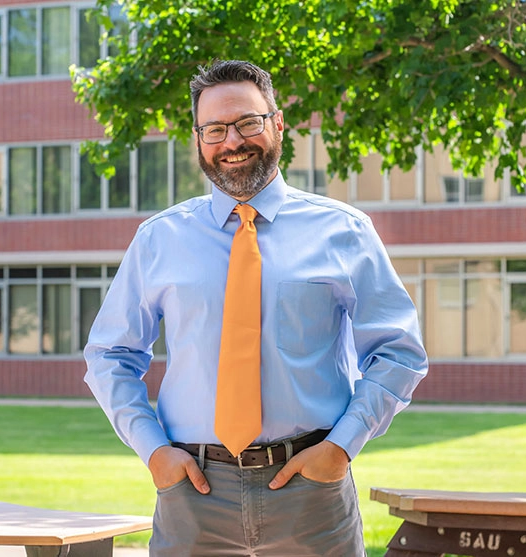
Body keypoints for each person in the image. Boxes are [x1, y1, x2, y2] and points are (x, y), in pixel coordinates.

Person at [83, 59, 428, 556]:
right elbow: (110, 354)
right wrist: (155, 452)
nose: (232, 142)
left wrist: (340, 448)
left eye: (247, 123)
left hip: (312, 491)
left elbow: (399, 352)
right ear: (198, 137)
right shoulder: (159, 239)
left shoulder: (345, 231)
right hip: (192, 493)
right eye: (215, 129)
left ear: (278, 123)